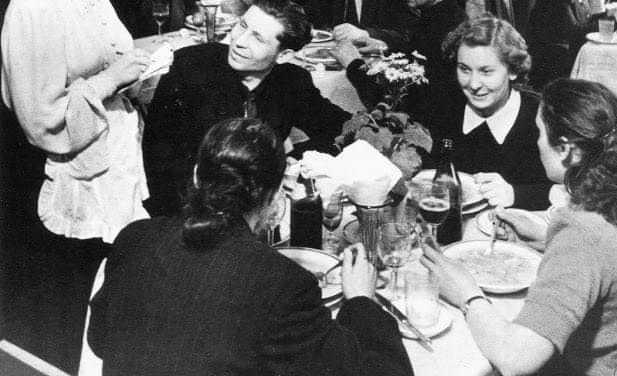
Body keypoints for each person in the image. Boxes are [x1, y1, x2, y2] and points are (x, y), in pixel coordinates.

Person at [89, 118, 414, 376]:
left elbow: (100, 340)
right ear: (274, 201)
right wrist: (360, 301)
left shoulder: (134, 237)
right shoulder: (285, 285)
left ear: (197, 177)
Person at [0, 0, 152, 372]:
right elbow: (42, 119)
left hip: (111, 157)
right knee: (74, 301)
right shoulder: (36, 3)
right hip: (67, 172)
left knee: (108, 293)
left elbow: (104, 56)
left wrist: (133, 72)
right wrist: (113, 79)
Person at [423, 78, 617, 376]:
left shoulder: (584, 234)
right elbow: (614, 255)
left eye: (540, 133)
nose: (537, 142)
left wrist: (467, 294)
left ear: (565, 149)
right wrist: (546, 237)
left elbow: (516, 359)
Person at [143, 0, 349, 216]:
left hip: (259, 211)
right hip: (193, 212)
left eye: (257, 38)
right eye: (242, 26)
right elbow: (158, 163)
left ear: (284, 55)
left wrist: (289, 161)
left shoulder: (291, 81)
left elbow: (340, 128)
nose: (239, 41)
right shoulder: (188, 69)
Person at [430, 14, 551, 210]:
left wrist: (515, 194)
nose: (474, 84)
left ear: (513, 70)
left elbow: (569, 191)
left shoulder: (540, 118)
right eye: (464, 69)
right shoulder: (446, 107)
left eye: (486, 71)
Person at [333, 0, 466, 121]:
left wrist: (353, 65)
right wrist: (385, 46)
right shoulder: (446, 18)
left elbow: (397, 102)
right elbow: (415, 49)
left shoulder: (443, 33)